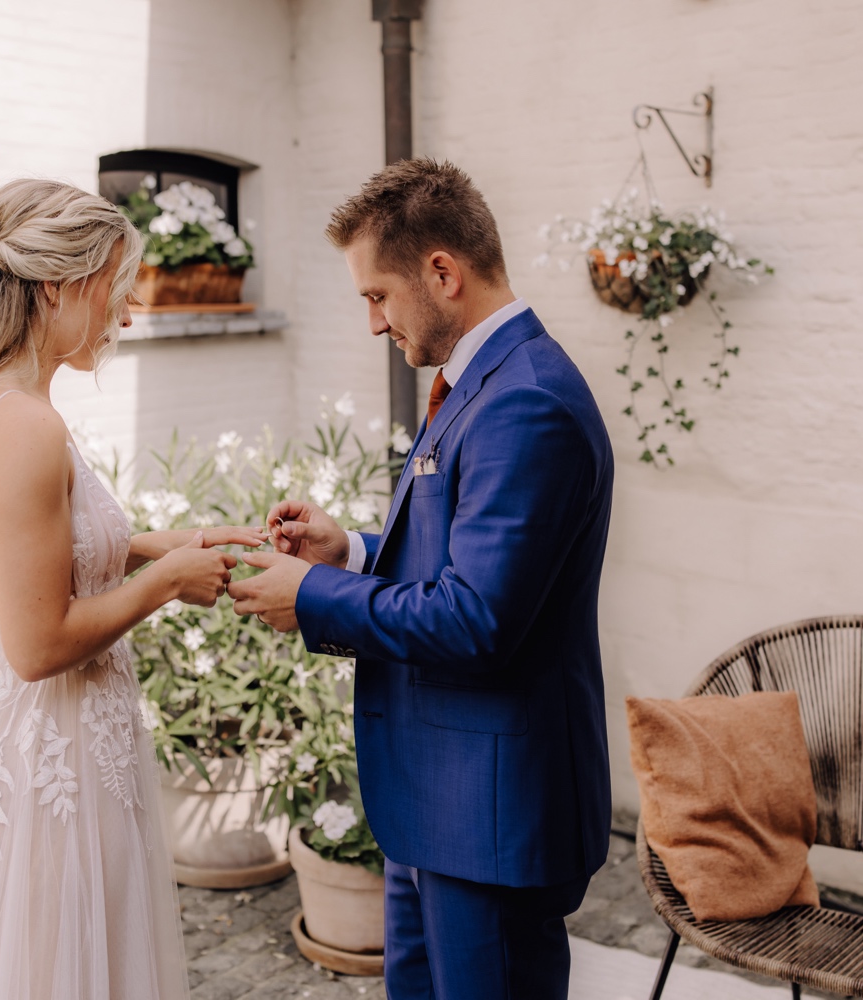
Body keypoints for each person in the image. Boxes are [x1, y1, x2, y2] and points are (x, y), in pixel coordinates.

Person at [0, 178, 263, 1000]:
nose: (125, 317)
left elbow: (44, 552)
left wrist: (165, 543)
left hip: (36, 737)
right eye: (115, 293)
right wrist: (169, 579)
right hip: (48, 754)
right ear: (61, 286)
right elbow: (37, 645)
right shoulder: (26, 426)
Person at [229, 159, 615, 1000]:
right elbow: (466, 563)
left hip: (491, 816)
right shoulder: (482, 383)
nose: (373, 323)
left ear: (442, 272)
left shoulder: (528, 402)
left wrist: (307, 597)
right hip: (438, 807)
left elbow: (477, 619)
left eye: (377, 296)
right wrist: (352, 556)